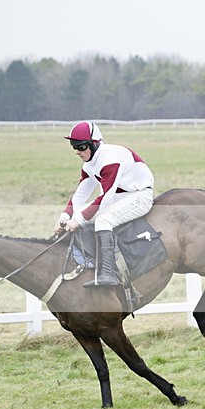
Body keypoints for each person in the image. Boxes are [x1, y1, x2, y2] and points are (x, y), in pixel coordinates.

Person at [54, 121, 155, 287]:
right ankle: (91, 263)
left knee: (103, 220)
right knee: (82, 215)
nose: (77, 152)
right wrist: (64, 217)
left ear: (94, 144)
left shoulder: (110, 160)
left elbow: (106, 197)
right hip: (120, 196)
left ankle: (108, 274)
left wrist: (78, 220)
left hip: (140, 196)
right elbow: (80, 195)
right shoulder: (89, 165)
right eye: (74, 147)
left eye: (81, 146)